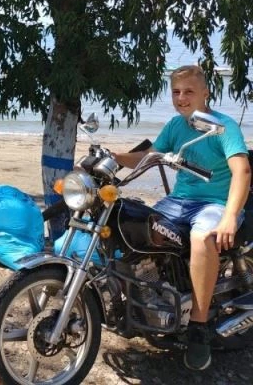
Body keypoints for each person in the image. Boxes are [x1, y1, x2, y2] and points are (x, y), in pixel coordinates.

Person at [113, 65, 250, 371]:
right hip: (178, 202)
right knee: (135, 229)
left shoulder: (223, 127)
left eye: (189, 91)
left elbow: (242, 170)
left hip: (213, 203)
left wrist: (229, 216)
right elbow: (152, 155)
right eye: (176, 92)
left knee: (202, 238)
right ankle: (147, 298)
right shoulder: (176, 125)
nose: (182, 97)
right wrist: (115, 157)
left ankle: (198, 327)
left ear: (206, 93)